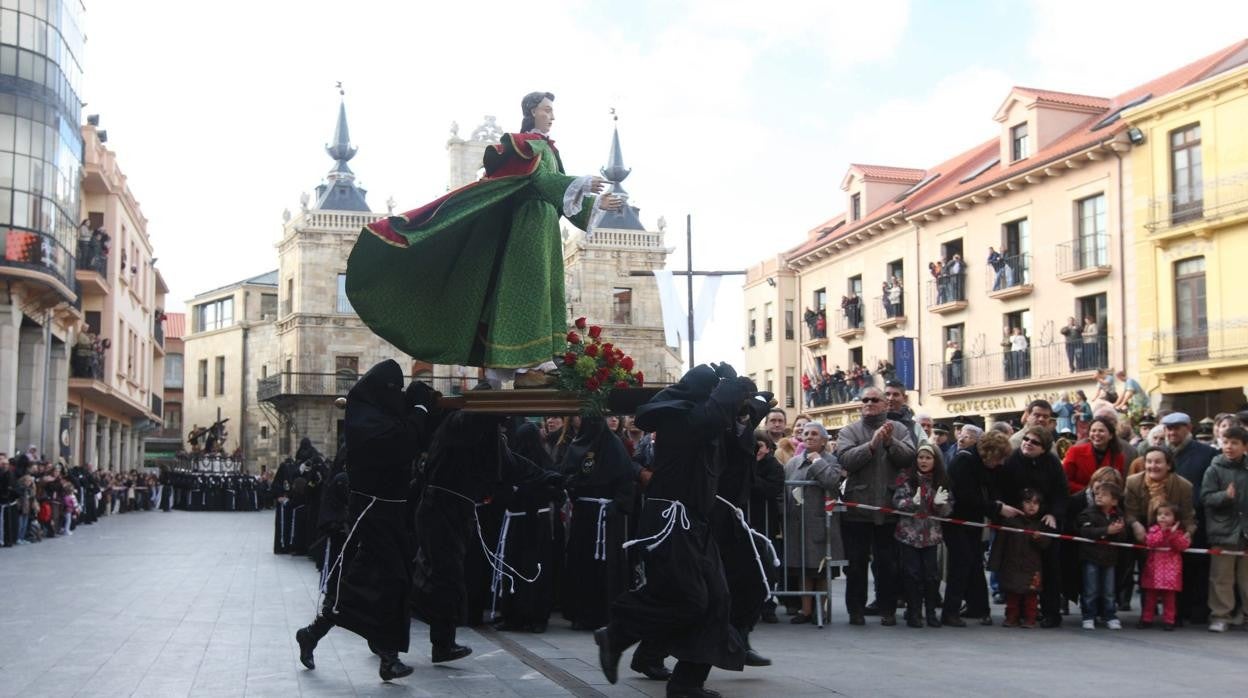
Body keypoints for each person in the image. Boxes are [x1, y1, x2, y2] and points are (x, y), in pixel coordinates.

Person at [345, 91, 623, 370]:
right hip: (529, 226)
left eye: (552, 111)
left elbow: (557, 193)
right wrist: (581, 183)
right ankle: (523, 359)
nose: (552, 116)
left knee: (545, 287)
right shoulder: (525, 145)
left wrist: (595, 202)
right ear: (531, 111)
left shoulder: (549, 150)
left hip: (545, 226)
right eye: (546, 110)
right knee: (530, 287)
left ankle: (537, 357)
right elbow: (539, 179)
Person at [595, 364, 758, 697]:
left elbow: (735, 428)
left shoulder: (703, 421)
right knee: (688, 597)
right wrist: (731, 383)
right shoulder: (680, 419)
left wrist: (746, 402)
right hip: (670, 520)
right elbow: (713, 416)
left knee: (717, 600)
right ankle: (618, 632)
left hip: (695, 522)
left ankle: (687, 682)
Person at [295, 360, 437, 682]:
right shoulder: (364, 422)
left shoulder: (381, 415)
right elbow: (402, 443)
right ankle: (387, 656)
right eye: (394, 390)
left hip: (391, 515)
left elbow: (413, 435)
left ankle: (316, 635)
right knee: (386, 583)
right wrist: (418, 409)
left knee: (368, 587)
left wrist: (421, 403)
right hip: (371, 516)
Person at [835, 386, 917, 626]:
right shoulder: (849, 431)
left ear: (884, 404)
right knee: (856, 564)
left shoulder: (900, 429)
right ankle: (856, 611)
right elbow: (846, 459)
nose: (869, 403)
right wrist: (871, 445)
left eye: (875, 400)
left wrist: (890, 442)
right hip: (857, 510)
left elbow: (908, 458)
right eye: (865, 400)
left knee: (888, 565)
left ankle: (887, 609)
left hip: (888, 508)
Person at [560, 416, 635, 631]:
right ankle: (581, 612)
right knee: (582, 563)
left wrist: (617, 506)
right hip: (585, 515)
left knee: (606, 565)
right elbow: (568, 474)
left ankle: (606, 613)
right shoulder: (577, 446)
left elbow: (625, 480)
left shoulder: (614, 446)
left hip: (606, 516)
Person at [997, 426, 1067, 626]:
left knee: (1050, 569)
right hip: (1016, 519)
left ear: (1044, 448)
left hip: (1044, 520)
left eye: (1034, 442)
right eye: (1026, 439)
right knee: (1016, 566)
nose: (1027, 443)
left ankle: (1051, 613)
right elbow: (1002, 489)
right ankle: (1015, 612)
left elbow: (1061, 492)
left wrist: (1054, 513)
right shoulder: (1012, 460)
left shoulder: (1052, 463)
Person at [943, 430, 1008, 627]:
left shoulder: (985, 464)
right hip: (956, 520)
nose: (1000, 463)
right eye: (998, 458)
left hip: (973, 520)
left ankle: (978, 607)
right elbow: (966, 497)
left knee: (974, 563)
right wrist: (997, 508)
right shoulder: (964, 461)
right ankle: (950, 612)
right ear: (988, 453)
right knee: (960, 563)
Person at [782, 423, 844, 625]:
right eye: (806, 433)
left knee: (821, 569)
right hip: (798, 524)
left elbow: (832, 482)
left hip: (821, 523)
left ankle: (821, 609)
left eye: (815, 434)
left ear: (824, 440)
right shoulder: (792, 463)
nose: (809, 437)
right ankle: (806, 609)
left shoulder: (831, 461)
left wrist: (817, 461)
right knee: (803, 568)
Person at [1164, 412, 1219, 624]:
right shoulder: (1163, 453)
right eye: (1169, 428)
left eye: (1177, 428)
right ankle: (1176, 609)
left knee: (1197, 567)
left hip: (1197, 520)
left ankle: (1197, 610)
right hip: (1168, 522)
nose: (1172, 432)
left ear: (1188, 428)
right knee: (1174, 568)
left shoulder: (1207, 454)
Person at [892, 444, 952, 628]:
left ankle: (932, 612)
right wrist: (912, 502)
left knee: (931, 576)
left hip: (931, 536)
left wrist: (941, 505)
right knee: (912, 574)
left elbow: (948, 510)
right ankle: (914, 612)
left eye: (928, 458)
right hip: (909, 535)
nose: (924, 461)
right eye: (921, 457)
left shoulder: (941, 480)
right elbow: (896, 502)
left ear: (935, 460)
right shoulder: (906, 478)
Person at [1199, 425, 1248, 633]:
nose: (1229, 447)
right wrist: (1224, 497)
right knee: (1221, 577)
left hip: (1245, 531)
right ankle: (1220, 615)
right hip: (1223, 530)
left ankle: (1244, 614)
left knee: (1246, 577)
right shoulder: (1214, 468)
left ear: (1245, 446)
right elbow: (1206, 498)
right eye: (1225, 442)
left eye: (1235, 443)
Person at [1075, 481, 1134, 630]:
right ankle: (1088, 615)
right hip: (1090, 557)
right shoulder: (1088, 513)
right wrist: (1106, 531)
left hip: (1110, 559)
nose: (1099, 496)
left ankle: (1110, 615)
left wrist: (1119, 531)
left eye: (1104, 494)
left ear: (1114, 500)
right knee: (1091, 589)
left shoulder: (1118, 515)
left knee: (1109, 590)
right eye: (1097, 494)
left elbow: (1123, 537)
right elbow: (1085, 532)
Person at [989, 489, 1051, 628]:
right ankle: (1011, 618)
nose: (1032, 506)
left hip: (1032, 567)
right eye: (1028, 502)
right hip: (1012, 565)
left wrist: (1039, 538)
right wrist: (994, 565)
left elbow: (1047, 544)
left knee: (1031, 597)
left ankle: (1030, 619)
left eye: (1035, 503)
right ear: (1020, 503)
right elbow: (999, 545)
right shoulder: (1010, 522)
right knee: (1012, 596)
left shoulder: (1041, 524)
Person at [1137, 502, 1189, 630]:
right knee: (1150, 597)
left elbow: (1181, 546)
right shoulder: (1154, 530)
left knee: (1169, 598)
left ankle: (1169, 620)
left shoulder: (1179, 533)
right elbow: (1151, 542)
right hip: (1154, 569)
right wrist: (1163, 532)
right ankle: (1147, 619)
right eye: (1160, 514)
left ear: (1175, 518)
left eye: (1167, 514)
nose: (1162, 517)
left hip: (1171, 570)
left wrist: (1172, 534)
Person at [1062, 416, 1124, 494]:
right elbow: (1064, 481)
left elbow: (1117, 485)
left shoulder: (1118, 457)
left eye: (1101, 431)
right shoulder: (1075, 452)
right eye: (1093, 431)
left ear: (1111, 435)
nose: (1096, 434)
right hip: (1078, 499)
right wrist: (1090, 491)